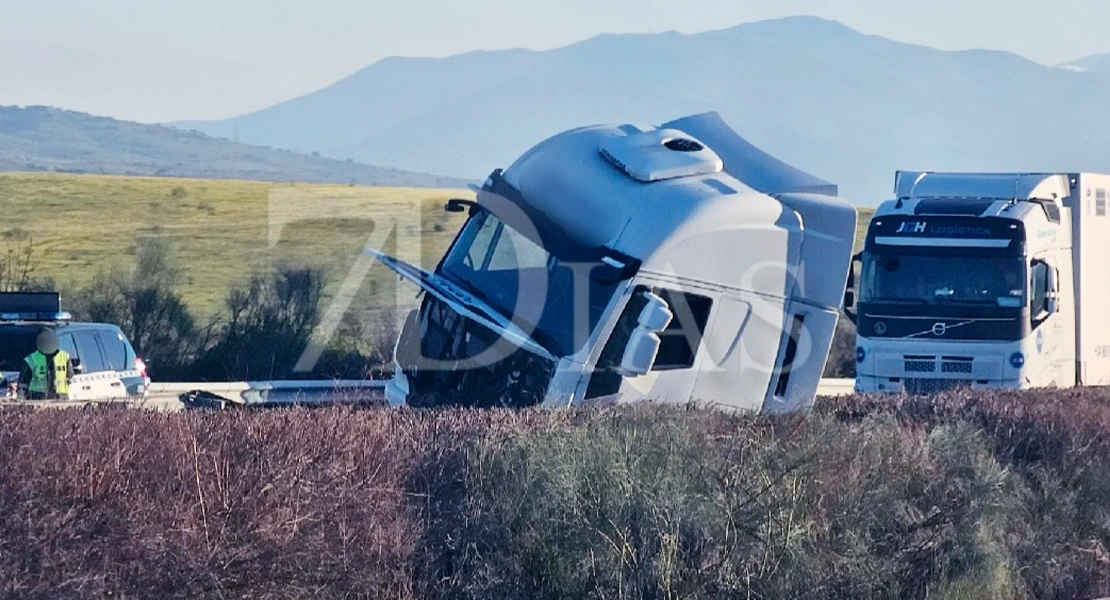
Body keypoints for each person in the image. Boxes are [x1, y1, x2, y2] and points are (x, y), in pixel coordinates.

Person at [18, 328, 73, 400]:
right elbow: (23, 383)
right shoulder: (31, 359)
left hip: (60, 398)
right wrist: (21, 400)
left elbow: (70, 375)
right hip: (37, 399)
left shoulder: (65, 357)